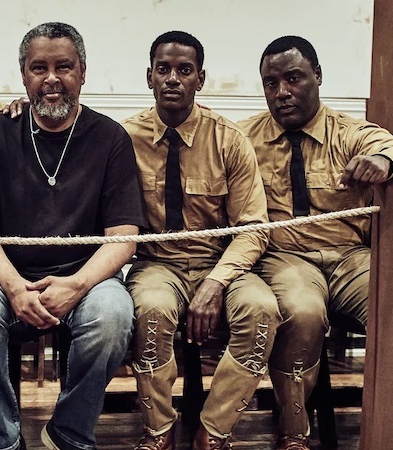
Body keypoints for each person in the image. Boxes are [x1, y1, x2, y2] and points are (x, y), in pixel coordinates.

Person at [0, 22, 147, 450]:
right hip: (7, 277)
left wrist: (76, 285)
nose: (52, 78)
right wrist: (14, 286)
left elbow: (123, 237)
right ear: (24, 75)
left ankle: (69, 431)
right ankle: (2, 437)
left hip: (86, 278)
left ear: (82, 72)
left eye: (64, 66)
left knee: (113, 314)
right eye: (39, 67)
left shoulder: (111, 138)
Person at [238, 36, 393, 450]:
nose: (282, 92)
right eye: (271, 83)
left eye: (293, 78)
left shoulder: (352, 133)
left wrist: (384, 162)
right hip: (284, 258)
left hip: (350, 259)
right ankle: (293, 434)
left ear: (318, 76)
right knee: (302, 313)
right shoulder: (243, 138)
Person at [121, 31, 280, 450]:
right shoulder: (124, 139)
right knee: (150, 310)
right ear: (149, 77)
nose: (173, 79)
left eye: (185, 70)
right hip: (157, 264)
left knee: (262, 310)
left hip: (221, 262)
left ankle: (214, 430)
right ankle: (157, 432)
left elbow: (253, 226)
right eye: (164, 70)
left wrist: (217, 281)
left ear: (201, 79)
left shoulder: (228, 139)